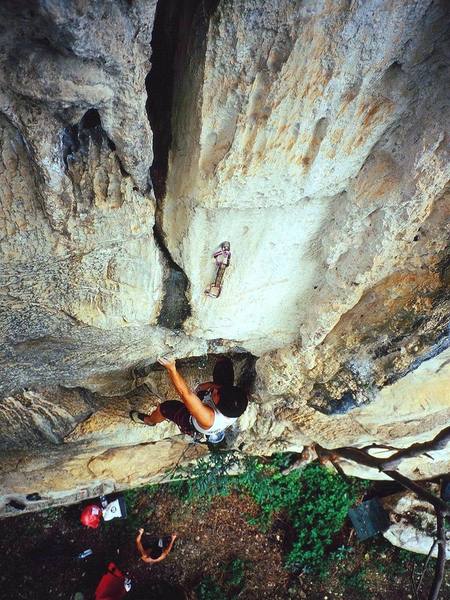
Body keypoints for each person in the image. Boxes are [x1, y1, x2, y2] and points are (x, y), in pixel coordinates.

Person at [129, 357, 248, 443]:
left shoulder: (208, 418)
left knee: (165, 408)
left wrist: (171, 368)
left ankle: (150, 421)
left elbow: (184, 393)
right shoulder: (238, 402)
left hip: (191, 422)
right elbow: (221, 390)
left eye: (216, 393)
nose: (215, 390)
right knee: (224, 365)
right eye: (219, 389)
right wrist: (207, 387)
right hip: (214, 402)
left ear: (217, 406)